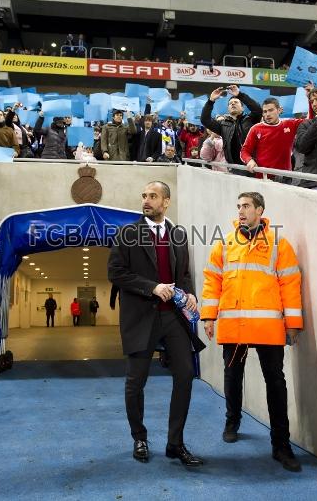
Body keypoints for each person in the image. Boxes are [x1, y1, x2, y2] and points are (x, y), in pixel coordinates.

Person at [201, 192, 303, 472]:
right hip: (235, 326)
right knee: (232, 376)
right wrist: (208, 316)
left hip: (268, 326)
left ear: (260, 210)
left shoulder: (278, 244)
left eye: (246, 206)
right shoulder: (224, 244)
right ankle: (232, 420)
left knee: (276, 384)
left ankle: (281, 445)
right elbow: (212, 282)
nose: (241, 211)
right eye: (238, 207)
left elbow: (290, 284)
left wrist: (293, 323)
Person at [108, 181, 205, 466]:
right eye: (144, 196)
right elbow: (116, 272)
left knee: (185, 375)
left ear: (166, 202)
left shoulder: (177, 234)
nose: (146, 200)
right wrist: (152, 287)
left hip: (173, 316)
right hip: (140, 315)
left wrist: (190, 295)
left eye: (153, 196)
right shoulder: (127, 233)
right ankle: (139, 437)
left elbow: (184, 273)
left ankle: (175, 443)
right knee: (136, 381)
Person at [240, 97, 311, 176]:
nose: (267, 114)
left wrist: (310, 100)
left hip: (285, 177)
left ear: (279, 110)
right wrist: (249, 160)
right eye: (265, 111)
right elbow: (244, 151)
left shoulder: (290, 124)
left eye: (271, 110)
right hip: (263, 178)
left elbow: (310, 122)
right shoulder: (255, 129)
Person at [201, 84, 262, 171]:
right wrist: (211, 101)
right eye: (230, 103)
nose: (232, 103)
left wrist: (239, 95)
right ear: (228, 109)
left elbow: (258, 110)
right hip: (233, 168)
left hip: (251, 166)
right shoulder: (222, 125)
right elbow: (205, 120)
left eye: (236, 102)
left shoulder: (250, 119)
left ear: (243, 108)